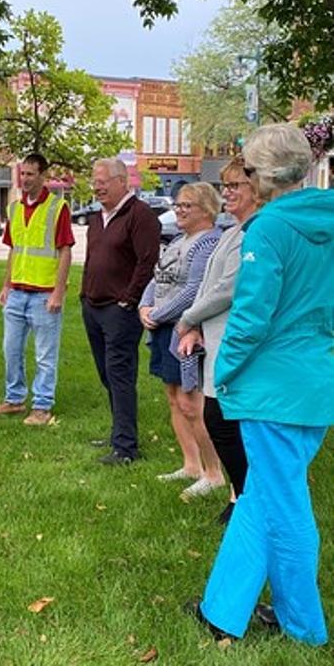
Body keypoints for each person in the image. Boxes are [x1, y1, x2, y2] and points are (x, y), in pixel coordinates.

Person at [191, 124, 334, 645]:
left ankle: (304, 627)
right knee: (261, 497)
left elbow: (250, 318)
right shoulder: (326, 217)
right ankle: (222, 610)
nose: (243, 180)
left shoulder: (268, 229)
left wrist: (222, 372)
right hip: (313, 382)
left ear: (263, 175)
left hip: (271, 388)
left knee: (284, 507)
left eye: (246, 170)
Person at [176, 160, 260, 524]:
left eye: (235, 185)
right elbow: (210, 285)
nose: (227, 191)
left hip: (235, 340)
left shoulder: (254, 232)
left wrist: (188, 318)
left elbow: (229, 288)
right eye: (224, 185)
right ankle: (241, 496)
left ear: (257, 187)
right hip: (215, 336)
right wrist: (195, 325)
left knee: (222, 419)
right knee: (220, 418)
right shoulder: (233, 230)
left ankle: (246, 496)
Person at [139, 183, 224, 498]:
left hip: (187, 331)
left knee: (192, 402)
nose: (179, 210)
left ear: (206, 209)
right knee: (173, 396)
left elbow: (195, 290)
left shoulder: (209, 243)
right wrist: (144, 307)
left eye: (187, 205)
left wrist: (159, 313)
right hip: (164, 327)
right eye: (177, 204)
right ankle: (191, 464)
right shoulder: (177, 240)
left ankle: (213, 473)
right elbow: (156, 276)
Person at [80, 158, 161, 464]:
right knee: (106, 375)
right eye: (94, 182)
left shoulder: (140, 215)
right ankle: (119, 433)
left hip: (120, 311)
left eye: (102, 181)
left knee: (120, 374)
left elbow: (147, 262)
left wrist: (129, 299)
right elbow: (91, 258)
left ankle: (126, 448)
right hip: (93, 306)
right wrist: (85, 295)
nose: (97, 187)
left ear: (121, 181)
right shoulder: (97, 217)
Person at [0, 153, 74, 426]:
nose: (24, 179)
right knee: (11, 349)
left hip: (44, 293)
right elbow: (14, 250)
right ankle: (14, 400)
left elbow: (65, 251)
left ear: (43, 176)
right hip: (17, 293)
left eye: (30, 174)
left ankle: (42, 407)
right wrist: (6, 285)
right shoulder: (14, 208)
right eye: (22, 174)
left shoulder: (57, 208)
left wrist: (58, 291)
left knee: (45, 354)